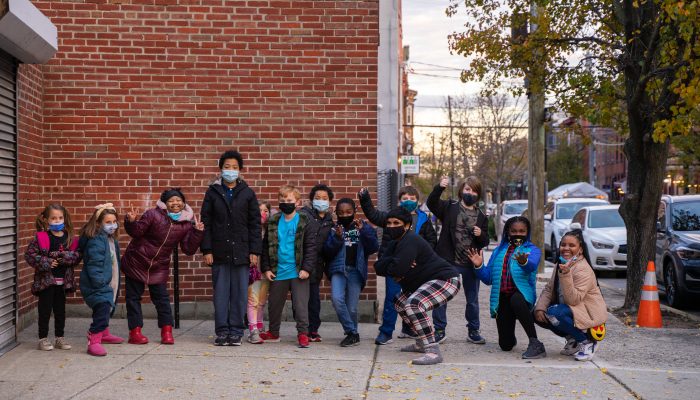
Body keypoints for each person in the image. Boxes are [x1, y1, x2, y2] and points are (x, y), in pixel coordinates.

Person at [374, 207, 461, 365]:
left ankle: (433, 351)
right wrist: (398, 262)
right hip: (424, 282)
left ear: (406, 225)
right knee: (399, 302)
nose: (392, 226)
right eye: (389, 223)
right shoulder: (394, 244)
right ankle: (421, 343)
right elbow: (378, 267)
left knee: (414, 304)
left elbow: (397, 269)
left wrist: (398, 265)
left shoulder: (411, 240)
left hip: (445, 280)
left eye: (396, 223)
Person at [121, 188, 205, 345]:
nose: (175, 203)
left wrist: (197, 233)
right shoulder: (153, 214)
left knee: (162, 300)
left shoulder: (186, 223)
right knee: (133, 299)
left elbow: (188, 249)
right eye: (171, 200)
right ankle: (135, 333)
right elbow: (137, 232)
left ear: (183, 202)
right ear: (165, 203)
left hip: (159, 266)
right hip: (137, 261)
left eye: (178, 200)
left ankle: (167, 332)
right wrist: (131, 222)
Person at [357, 186, 439, 345]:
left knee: (412, 299)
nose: (409, 201)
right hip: (394, 265)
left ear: (417, 201)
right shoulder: (391, 217)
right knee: (392, 299)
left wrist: (420, 259)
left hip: (415, 268)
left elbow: (431, 242)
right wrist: (364, 198)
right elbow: (373, 215)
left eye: (412, 198)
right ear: (399, 200)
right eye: (405, 198)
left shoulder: (424, 220)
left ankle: (409, 328)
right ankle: (386, 332)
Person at [201, 150, 262, 346]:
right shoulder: (212, 193)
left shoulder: (247, 193)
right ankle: (222, 331)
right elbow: (206, 223)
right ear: (220, 169)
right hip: (218, 252)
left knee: (239, 294)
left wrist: (254, 251)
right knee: (220, 294)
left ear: (240, 170)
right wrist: (207, 249)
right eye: (227, 167)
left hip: (242, 252)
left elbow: (254, 224)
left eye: (235, 167)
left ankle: (236, 331)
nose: (230, 171)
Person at [467, 216, 546, 359]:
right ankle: (510, 336)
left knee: (516, 299)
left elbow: (532, 266)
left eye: (522, 231)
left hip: (522, 297)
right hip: (502, 299)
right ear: (508, 232)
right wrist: (478, 266)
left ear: (527, 232)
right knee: (506, 345)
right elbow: (489, 278)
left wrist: (524, 262)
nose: (518, 234)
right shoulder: (498, 251)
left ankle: (535, 343)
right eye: (514, 231)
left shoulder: (532, 250)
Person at [426, 176, 489, 344]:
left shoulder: (482, 216)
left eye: (474, 190)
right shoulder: (449, 207)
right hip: (448, 261)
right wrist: (439, 187)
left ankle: (473, 330)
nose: (470, 193)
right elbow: (431, 203)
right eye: (467, 189)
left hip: (470, 263)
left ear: (478, 194)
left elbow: (485, 241)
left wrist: (480, 234)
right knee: (440, 297)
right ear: (461, 190)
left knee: (473, 300)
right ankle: (439, 330)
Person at [534, 229, 608, 361]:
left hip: (588, 313)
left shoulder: (583, 269)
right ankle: (573, 340)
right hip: (570, 310)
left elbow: (573, 300)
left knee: (554, 313)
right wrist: (540, 308)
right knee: (538, 314)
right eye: (563, 245)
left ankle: (587, 342)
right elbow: (549, 288)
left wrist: (566, 274)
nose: (566, 248)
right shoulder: (561, 264)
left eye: (572, 245)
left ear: (580, 250)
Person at [260, 185, 319, 348]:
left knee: (300, 305)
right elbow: (266, 246)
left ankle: (302, 333)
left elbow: (310, 247)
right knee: (274, 304)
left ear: (297, 202)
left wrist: (306, 268)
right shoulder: (273, 221)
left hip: (298, 270)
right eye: (282, 200)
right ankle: (274, 332)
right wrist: (266, 268)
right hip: (278, 270)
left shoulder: (304, 221)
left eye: (289, 200)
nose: (286, 203)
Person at [24, 204, 81, 351]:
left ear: (65, 218)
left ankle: (59, 338)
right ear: (46, 220)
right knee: (45, 310)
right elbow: (29, 255)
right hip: (46, 283)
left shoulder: (70, 238)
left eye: (60, 218)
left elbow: (77, 255)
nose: (57, 221)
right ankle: (43, 339)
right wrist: (47, 262)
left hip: (63, 283)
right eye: (53, 218)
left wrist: (66, 257)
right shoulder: (41, 237)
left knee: (60, 311)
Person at [322, 198, 378, 347]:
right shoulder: (334, 229)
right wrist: (337, 238)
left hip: (355, 271)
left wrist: (364, 231)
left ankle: (353, 335)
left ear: (355, 211)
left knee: (352, 307)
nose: (345, 215)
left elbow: (373, 247)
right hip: (338, 270)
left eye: (348, 212)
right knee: (337, 299)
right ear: (336, 213)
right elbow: (327, 252)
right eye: (341, 212)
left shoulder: (362, 226)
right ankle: (351, 332)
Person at [79, 203, 125, 357]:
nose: (112, 225)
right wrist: (100, 284)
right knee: (103, 308)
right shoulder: (97, 240)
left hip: (109, 280)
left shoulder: (110, 238)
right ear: (98, 223)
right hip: (98, 283)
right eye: (108, 222)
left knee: (105, 309)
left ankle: (104, 333)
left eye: (114, 222)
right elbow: (94, 263)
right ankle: (94, 340)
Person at [299, 184, 336, 342]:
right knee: (300, 300)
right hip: (301, 264)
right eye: (317, 198)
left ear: (330, 201)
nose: (321, 201)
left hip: (317, 267)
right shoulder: (303, 215)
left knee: (314, 300)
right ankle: (303, 329)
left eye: (325, 199)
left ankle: (313, 329)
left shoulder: (330, 222)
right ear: (311, 200)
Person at [247, 201, 272, 344]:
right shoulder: (250, 231)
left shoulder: (271, 230)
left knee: (262, 301)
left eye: (266, 210)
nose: (263, 213)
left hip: (266, 270)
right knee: (253, 300)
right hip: (253, 270)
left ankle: (260, 325)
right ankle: (253, 329)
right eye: (259, 210)